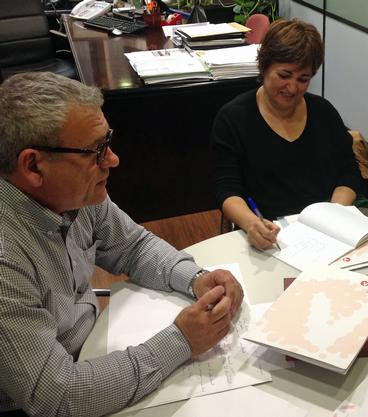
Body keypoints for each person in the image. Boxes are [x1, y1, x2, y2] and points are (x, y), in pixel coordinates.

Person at [0, 72, 244, 417]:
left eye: (108, 142)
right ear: (34, 166)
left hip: (92, 346)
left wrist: (196, 278)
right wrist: (182, 341)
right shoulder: (6, 259)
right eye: (96, 151)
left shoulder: (75, 193)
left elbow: (132, 246)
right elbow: (56, 395)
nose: (112, 159)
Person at [211, 18, 362, 250]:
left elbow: (349, 172)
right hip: (269, 233)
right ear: (264, 67)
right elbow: (226, 189)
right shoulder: (233, 119)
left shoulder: (323, 112)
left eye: (303, 79)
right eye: (284, 75)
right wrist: (251, 223)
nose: (292, 87)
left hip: (326, 232)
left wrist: (333, 214)